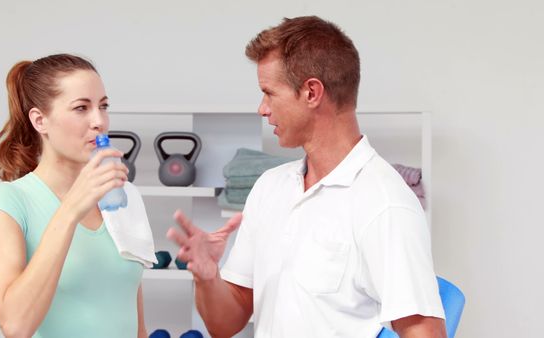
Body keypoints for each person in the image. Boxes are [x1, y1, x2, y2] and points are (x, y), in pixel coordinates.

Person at [167, 16, 447, 338]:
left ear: (312, 92)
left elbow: (425, 332)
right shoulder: (269, 188)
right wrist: (207, 277)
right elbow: (224, 324)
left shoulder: (384, 203)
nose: (262, 108)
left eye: (269, 93)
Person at [0, 54, 149, 338]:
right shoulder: (8, 202)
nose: (99, 121)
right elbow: (15, 325)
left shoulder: (123, 196)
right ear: (40, 120)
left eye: (103, 106)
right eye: (81, 108)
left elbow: (137, 326)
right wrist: (70, 210)